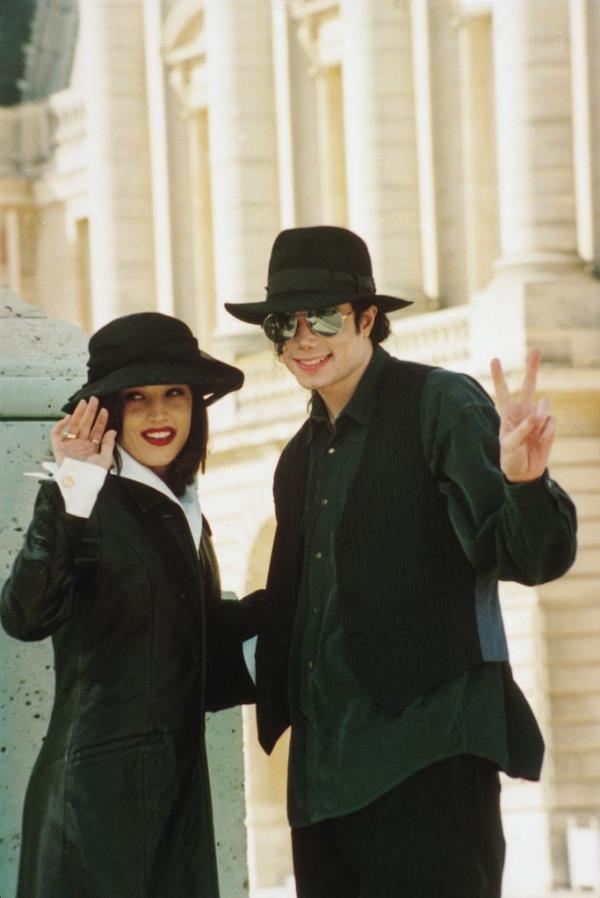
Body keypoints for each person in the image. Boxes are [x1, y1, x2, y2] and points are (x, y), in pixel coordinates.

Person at [225, 226, 578, 898]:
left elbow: (531, 557)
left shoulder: (441, 404)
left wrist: (525, 486)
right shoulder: (297, 457)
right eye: (282, 324)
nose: (303, 339)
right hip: (322, 789)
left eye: (324, 317)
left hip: (428, 767)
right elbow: (301, 613)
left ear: (366, 320)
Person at [0, 312, 259, 898]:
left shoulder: (184, 506)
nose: (160, 413)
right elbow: (24, 614)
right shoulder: (89, 495)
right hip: (94, 811)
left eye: (175, 393)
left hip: (176, 803)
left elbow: (189, 650)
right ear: (110, 410)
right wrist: (69, 487)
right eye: (136, 398)